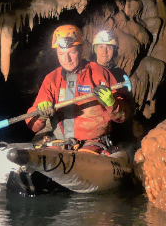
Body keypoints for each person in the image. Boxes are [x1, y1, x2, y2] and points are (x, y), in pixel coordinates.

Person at [26, 25, 129, 153]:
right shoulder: (52, 79)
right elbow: (33, 125)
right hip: (61, 142)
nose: (66, 59)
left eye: (72, 52)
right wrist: (40, 114)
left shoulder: (99, 73)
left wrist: (112, 103)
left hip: (93, 143)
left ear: (80, 49)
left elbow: (123, 117)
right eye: (61, 54)